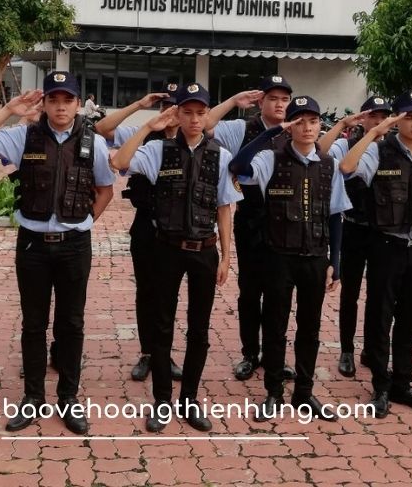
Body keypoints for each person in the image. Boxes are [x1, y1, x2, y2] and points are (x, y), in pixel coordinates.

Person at [0, 71, 115, 435]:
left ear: (78, 104)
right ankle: (33, 397)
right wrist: (8, 111)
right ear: (44, 103)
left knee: (71, 323)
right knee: (33, 324)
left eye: (68, 100)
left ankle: (68, 398)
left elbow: (105, 190)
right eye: (53, 100)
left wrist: (80, 221)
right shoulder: (24, 136)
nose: (60, 107)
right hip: (32, 245)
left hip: (74, 245)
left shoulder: (93, 142)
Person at [112, 83, 241, 432]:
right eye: (188, 112)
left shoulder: (221, 156)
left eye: (201, 113)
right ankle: (162, 402)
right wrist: (147, 126)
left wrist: (227, 256)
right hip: (166, 250)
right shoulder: (158, 151)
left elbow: (224, 208)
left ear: (208, 115)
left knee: (199, 330)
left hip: (204, 251)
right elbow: (119, 162)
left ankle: (189, 399)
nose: (195, 119)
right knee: (162, 326)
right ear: (177, 114)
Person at [229, 95, 350, 422]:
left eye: (313, 121)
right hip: (278, 257)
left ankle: (304, 393)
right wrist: (270, 133)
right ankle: (273, 392)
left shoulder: (328, 165)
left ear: (320, 125)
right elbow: (238, 167)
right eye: (300, 121)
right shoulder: (271, 159)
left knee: (310, 329)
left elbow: (336, 216)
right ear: (290, 126)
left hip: (314, 257)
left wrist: (335, 264)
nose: (307, 127)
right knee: (275, 326)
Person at [339, 90, 412, 418]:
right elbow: (346, 167)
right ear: (397, 119)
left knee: (409, 318)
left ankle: (402, 382)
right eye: (409, 117)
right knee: (380, 316)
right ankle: (381, 384)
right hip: (386, 246)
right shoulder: (379, 151)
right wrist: (375, 132)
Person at [204, 75, 296, 381]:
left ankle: (274, 355)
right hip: (251, 222)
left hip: (286, 226)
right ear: (261, 102)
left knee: (279, 295)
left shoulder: (295, 131)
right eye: (273, 98)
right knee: (250, 292)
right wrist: (233, 101)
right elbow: (205, 124)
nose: (280, 105)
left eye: (285, 99)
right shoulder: (242, 128)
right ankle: (249, 353)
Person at [93, 84, 184, 382]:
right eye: (165, 106)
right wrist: (139, 106)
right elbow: (101, 129)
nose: (170, 112)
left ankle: (164, 354)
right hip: (146, 224)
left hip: (178, 228)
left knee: (168, 294)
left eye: (176, 106)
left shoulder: (191, 138)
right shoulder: (144, 134)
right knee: (146, 291)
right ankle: (148, 353)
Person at [329, 96, 393, 378]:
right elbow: (336, 163)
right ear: (363, 118)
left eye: (383, 117)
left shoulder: (394, 148)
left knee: (379, 295)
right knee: (350, 293)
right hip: (354, 227)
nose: (378, 122)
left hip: (382, 232)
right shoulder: (346, 145)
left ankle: (370, 349)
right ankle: (346, 350)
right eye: (373, 117)